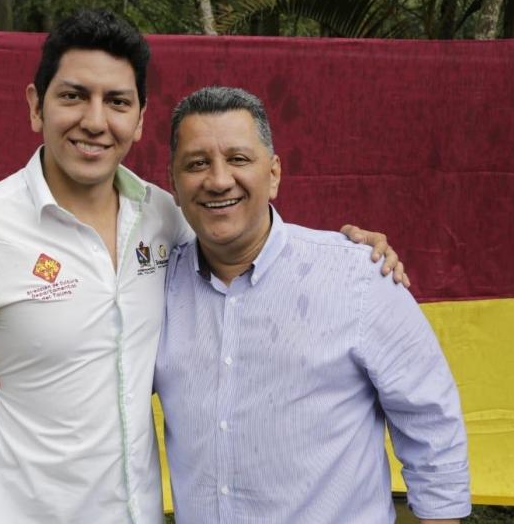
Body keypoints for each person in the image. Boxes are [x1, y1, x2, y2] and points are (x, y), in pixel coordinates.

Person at [0, 10, 403, 524]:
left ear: (140, 119)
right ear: (36, 106)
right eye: (73, 96)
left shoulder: (169, 219)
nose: (95, 121)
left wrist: (350, 253)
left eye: (117, 102)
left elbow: (254, 258)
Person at [156, 87, 470, 523]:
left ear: (274, 174)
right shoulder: (154, 286)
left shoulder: (359, 276)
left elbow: (431, 421)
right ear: (173, 184)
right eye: (196, 164)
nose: (219, 179)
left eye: (238, 159)